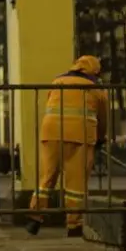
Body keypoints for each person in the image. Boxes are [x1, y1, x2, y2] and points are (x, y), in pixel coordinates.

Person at [26, 55, 109, 238]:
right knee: (76, 184)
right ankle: (74, 225)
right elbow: (103, 118)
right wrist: (100, 139)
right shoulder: (96, 88)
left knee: (47, 177)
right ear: (95, 69)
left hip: (51, 133)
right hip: (80, 136)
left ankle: (34, 218)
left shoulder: (58, 80)